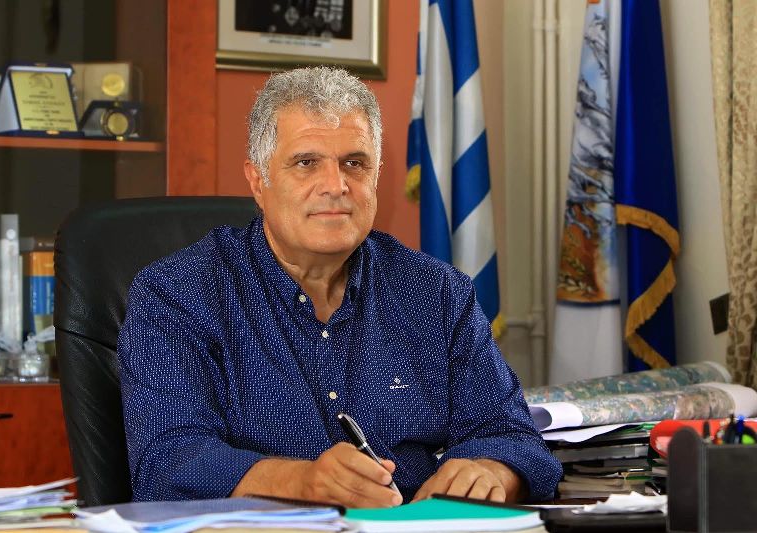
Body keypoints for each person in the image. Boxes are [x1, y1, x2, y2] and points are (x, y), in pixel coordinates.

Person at [118, 66, 561, 507]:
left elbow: (514, 437)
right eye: (306, 163)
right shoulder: (176, 294)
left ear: (376, 175)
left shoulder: (437, 292)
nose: (335, 186)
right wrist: (301, 482)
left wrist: (490, 472)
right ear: (258, 181)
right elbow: (167, 463)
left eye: (354, 163)